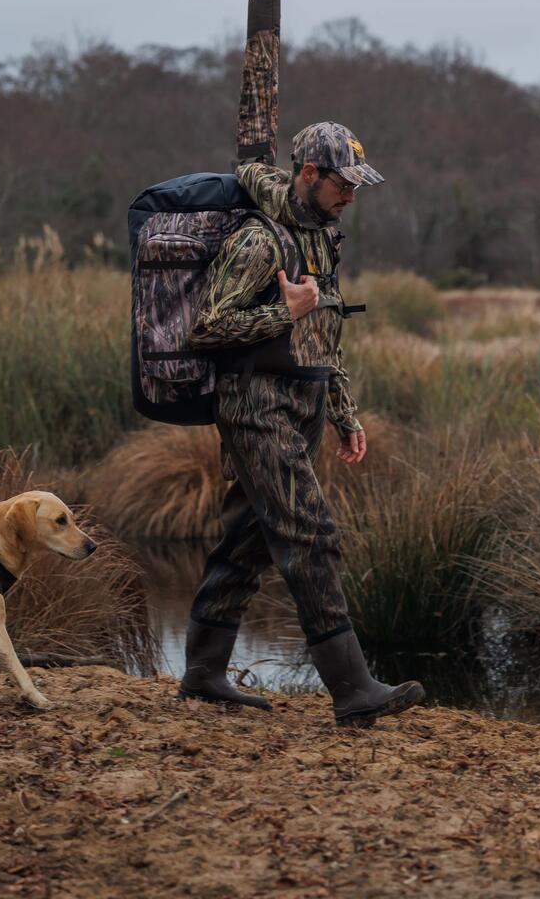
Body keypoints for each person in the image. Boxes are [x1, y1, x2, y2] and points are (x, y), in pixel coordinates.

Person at [177, 121, 425, 727]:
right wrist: (278, 312)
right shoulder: (259, 241)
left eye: (357, 187)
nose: (351, 197)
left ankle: (203, 675)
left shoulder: (324, 237)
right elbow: (204, 328)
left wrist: (344, 414)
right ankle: (353, 689)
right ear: (309, 174)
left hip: (304, 405)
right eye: (344, 184)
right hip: (255, 407)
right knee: (310, 534)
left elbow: (322, 333)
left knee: (247, 541)